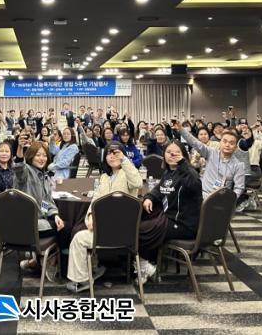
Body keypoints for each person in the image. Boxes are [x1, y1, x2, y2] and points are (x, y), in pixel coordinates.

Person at [66, 143, 142, 292]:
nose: (112, 156)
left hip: (122, 232)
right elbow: (95, 201)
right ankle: (93, 269)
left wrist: (124, 160)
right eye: (109, 153)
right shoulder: (105, 177)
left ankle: (82, 280)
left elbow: (137, 182)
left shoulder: (127, 174)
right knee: (79, 232)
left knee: (78, 239)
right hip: (104, 230)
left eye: (116, 153)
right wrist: (90, 217)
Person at [137, 140, 203, 283]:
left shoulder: (189, 173)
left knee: (140, 230)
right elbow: (158, 189)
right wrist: (149, 197)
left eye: (177, 152)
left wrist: (183, 164)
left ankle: (145, 266)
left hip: (183, 224)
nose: (172, 155)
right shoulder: (168, 172)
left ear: (184, 155)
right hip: (169, 218)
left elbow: (195, 185)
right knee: (140, 221)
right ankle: (148, 262)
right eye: (168, 152)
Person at [13, 141, 65, 277]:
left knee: (60, 223)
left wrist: (54, 215)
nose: (42, 158)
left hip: (37, 220)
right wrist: (20, 149)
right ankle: (54, 263)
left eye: (44, 155)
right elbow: (18, 167)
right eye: (38, 155)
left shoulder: (43, 175)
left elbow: (44, 203)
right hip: (27, 223)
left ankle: (38, 261)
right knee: (67, 229)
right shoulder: (26, 172)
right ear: (30, 156)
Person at [177, 125, 245, 201]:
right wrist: (181, 129)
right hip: (202, 194)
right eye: (224, 141)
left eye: (231, 143)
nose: (227, 145)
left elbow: (239, 188)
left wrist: (229, 201)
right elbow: (195, 143)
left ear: (235, 147)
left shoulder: (238, 165)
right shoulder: (211, 153)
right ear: (220, 143)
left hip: (221, 199)